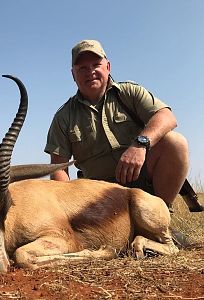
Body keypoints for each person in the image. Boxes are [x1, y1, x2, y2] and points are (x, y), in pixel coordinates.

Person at [44, 39, 189, 209]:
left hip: (141, 179)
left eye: (96, 64)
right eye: (82, 68)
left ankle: (162, 217)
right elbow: (58, 168)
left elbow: (167, 117)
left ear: (108, 67)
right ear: (73, 75)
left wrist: (139, 145)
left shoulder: (129, 92)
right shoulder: (63, 116)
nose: (90, 71)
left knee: (175, 143)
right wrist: (71, 204)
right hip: (96, 194)